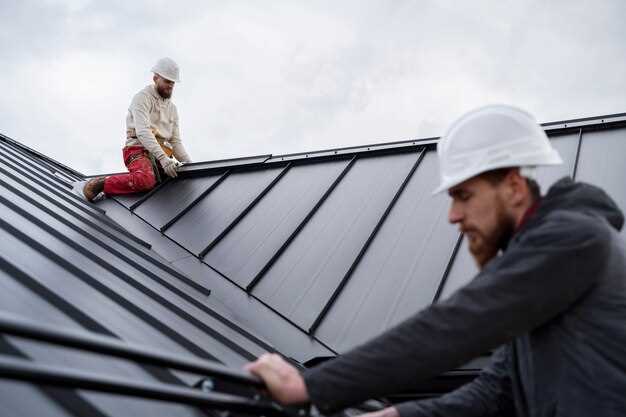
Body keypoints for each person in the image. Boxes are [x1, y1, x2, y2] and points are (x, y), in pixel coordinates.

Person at [245, 105, 626, 416]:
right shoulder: (543, 287)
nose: (453, 215)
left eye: (463, 195)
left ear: (512, 186)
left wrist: (308, 385)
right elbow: (494, 392)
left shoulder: (573, 238)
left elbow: (462, 321)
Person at [81, 57, 192, 202]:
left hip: (161, 154)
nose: (170, 85)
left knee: (178, 176)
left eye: (172, 82)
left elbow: (175, 141)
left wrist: (191, 167)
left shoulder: (172, 109)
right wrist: (163, 159)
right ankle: (101, 184)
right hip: (137, 149)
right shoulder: (142, 98)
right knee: (145, 180)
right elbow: (143, 132)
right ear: (155, 78)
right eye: (167, 81)